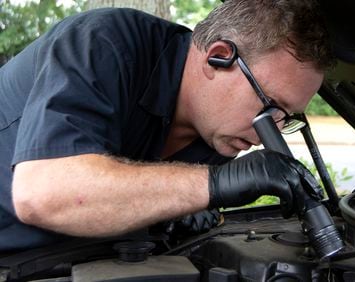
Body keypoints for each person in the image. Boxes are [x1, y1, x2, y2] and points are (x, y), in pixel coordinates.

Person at [0, 0, 334, 252]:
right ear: (218, 57)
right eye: (269, 107)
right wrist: (216, 183)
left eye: (285, 119)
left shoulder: (218, 131)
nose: (266, 135)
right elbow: (44, 195)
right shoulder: (103, 45)